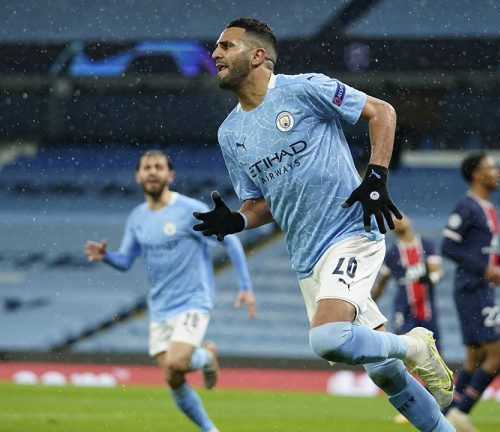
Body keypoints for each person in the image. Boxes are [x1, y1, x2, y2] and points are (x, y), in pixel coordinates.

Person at [193, 17, 455, 432]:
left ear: (258, 55)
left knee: (328, 338)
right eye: (216, 47)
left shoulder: (303, 89)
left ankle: (415, 345)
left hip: (350, 233)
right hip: (307, 257)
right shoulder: (230, 133)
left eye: (226, 46)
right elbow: (260, 203)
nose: (215, 54)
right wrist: (239, 219)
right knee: (384, 372)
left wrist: (375, 177)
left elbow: (381, 112)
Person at [84, 150, 256, 432]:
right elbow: (126, 261)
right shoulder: (137, 218)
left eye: (159, 167)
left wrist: (245, 287)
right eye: (147, 167)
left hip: (193, 301)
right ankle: (210, 428)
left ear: (170, 175)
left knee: (177, 362)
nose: (153, 172)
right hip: (160, 307)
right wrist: (107, 257)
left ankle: (206, 357)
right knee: (173, 377)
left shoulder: (188, 210)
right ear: (138, 176)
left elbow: (230, 240)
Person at [441, 151, 500, 432]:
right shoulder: (466, 207)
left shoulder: (485, 207)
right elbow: (448, 247)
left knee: (475, 357)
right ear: (478, 175)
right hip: (473, 288)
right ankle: (461, 413)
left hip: (477, 286)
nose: (498, 171)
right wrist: (484, 270)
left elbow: (481, 251)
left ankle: (446, 414)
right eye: (492, 167)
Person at [372, 213, 444, 345]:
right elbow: (381, 284)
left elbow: (438, 271)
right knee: (405, 347)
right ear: (391, 228)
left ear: (409, 220)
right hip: (404, 308)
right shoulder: (392, 254)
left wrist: (431, 278)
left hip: (426, 307)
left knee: (434, 347)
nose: (398, 221)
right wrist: (367, 304)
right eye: (393, 220)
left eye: (401, 217)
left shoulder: (426, 245)